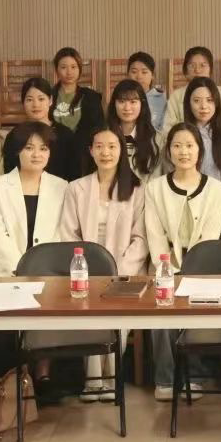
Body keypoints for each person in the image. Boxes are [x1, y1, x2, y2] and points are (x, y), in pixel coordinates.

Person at [60, 123, 148, 402]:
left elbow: (141, 238)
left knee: (117, 311)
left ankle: (109, 377)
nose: (105, 152)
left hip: (125, 269)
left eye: (112, 146)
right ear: (90, 151)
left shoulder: (137, 189)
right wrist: (86, 268)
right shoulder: (76, 188)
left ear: (122, 150)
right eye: (99, 146)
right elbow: (68, 233)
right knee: (88, 307)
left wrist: (118, 271)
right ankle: (94, 379)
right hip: (84, 268)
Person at [144, 123, 221, 401]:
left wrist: (190, 274)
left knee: (197, 305)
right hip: (165, 264)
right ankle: (165, 378)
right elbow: (155, 234)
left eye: (190, 146)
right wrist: (166, 269)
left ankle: (196, 375)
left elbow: (210, 237)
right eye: (177, 146)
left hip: (203, 266)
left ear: (200, 151)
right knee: (161, 307)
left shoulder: (217, 190)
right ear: (168, 151)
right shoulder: (154, 188)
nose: (183, 152)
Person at [0, 121, 68, 278]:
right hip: (5, 271)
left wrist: (40, 266)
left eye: (43, 148)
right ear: (18, 151)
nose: (36, 154)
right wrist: (21, 268)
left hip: (48, 270)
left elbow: (60, 232)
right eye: (29, 148)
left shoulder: (61, 186)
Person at [4, 77, 79, 182]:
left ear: (50, 100)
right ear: (23, 102)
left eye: (41, 99)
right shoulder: (15, 135)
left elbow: (74, 174)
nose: (36, 105)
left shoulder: (65, 135)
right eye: (29, 100)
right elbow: (9, 172)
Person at [162, 46, 221, 133]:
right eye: (192, 66)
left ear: (210, 69)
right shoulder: (176, 96)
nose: (197, 70)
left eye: (203, 65)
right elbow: (168, 128)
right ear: (185, 70)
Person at [182, 76, 221, 181]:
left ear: (216, 103)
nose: (203, 106)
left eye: (209, 100)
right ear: (188, 103)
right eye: (196, 101)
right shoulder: (179, 136)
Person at [108, 78, 161, 182]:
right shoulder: (104, 136)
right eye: (121, 101)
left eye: (133, 102)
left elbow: (159, 178)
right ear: (114, 104)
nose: (127, 108)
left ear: (142, 104)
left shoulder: (158, 139)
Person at [50, 47, 104, 137]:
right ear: (56, 70)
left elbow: (99, 127)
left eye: (73, 67)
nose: (69, 72)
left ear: (79, 69)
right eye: (63, 67)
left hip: (84, 144)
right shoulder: (48, 95)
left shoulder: (91, 96)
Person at [127, 51, 166, 132]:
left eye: (144, 72)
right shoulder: (121, 98)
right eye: (134, 72)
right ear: (127, 74)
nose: (139, 76)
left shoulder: (161, 100)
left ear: (153, 75)